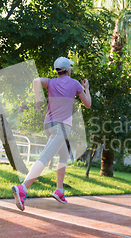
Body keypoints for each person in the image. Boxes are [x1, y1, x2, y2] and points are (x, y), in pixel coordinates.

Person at [12, 57, 91, 211]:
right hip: (61, 128)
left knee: (63, 156)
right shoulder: (75, 83)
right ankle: (23, 188)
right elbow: (88, 104)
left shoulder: (51, 82)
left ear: (57, 71)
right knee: (46, 157)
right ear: (68, 70)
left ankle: (59, 191)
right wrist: (86, 88)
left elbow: (36, 80)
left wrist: (37, 100)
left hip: (49, 126)